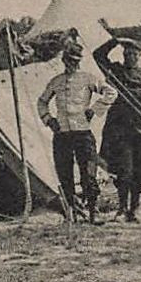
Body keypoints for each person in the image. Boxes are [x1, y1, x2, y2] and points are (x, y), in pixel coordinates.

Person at [37, 39, 115, 223]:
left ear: (80, 61)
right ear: (64, 61)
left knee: (88, 173)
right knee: (64, 173)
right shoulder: (56, 81)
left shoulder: (88, 78)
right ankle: (70, 214)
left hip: (82, 132)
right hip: (62, 133)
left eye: (75, 60)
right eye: (69, 60)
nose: (72, 64)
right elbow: (42, 102)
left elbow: (111, 92)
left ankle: (92, 213)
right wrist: (49, 120)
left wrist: (94, 110)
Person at [93, 32, 141, 222]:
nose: (131, 57)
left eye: (134, 53)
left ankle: (135, 209)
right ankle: (122, 209)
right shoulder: (115, 72)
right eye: (127, 53)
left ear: (139, 55)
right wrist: (116, 41)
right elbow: (98, 55)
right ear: (123, 55)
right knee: (124, 169)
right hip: (120, 129)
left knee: (140, 169)